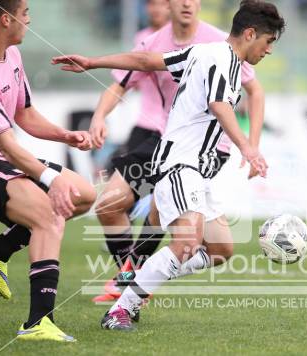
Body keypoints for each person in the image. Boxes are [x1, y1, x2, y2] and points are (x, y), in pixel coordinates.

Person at [53, 0, 285, 330]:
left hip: (200, 170)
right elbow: (218, 104)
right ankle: (123, 308)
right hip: (181, 163)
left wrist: (94, 61)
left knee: (220, 249)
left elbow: (146, 60)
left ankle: (142, 280)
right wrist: (248, 147)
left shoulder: (208, 53)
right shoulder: (218, 57)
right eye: (269, 42)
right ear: (250, 34)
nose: (269, 50)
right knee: (186, 242)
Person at [90, 0, 266, 302]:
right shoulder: (155, 41)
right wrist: (97, 111)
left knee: (219, 247)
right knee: (112, 205)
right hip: (166, 142)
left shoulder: (219, 42)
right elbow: (134, 71)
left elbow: (254, 91)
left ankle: (133, 280)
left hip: (206, 150)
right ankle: (130, 286)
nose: (186, 3)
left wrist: (253, 144)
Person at [0, 0, 96, 341]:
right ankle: (38, 323)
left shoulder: (12, 56)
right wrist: (50, 180)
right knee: (49, 215)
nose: (29, 20)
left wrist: (64, 135)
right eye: (25, 14)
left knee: (84, 195)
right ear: (6, 20)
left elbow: (25, 115)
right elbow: (6, 144)